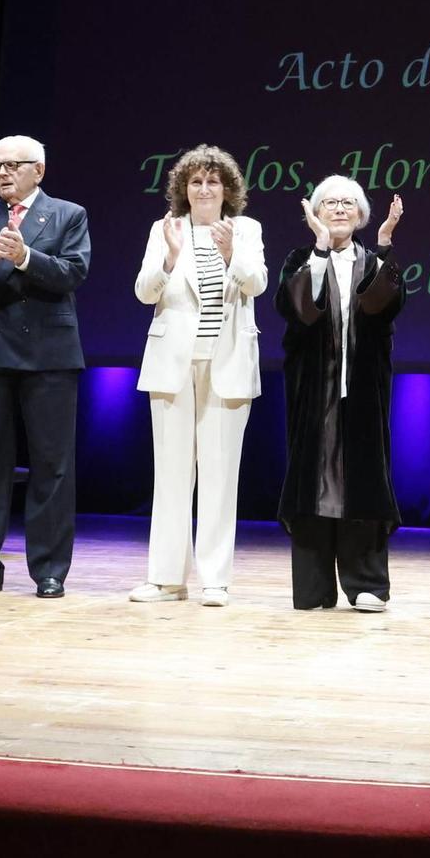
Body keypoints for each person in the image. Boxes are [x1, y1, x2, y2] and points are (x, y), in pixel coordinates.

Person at [0, 135, 90, 599]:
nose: (3, 173)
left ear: (39, 171)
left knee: (52, 465)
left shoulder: (68, 214)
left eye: (14, 165)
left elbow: (73, 272)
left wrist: (25, 257)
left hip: (48, 356)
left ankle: (49, 569)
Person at [131, 145, 266, 607]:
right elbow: (144, 292)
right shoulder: (163, 229)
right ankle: (166, 579)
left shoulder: (245, 229)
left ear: (227, 190)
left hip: (226, 364)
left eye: (213, 181)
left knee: (219, 475)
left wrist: (232, 256)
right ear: (182, 189)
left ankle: (215, 579)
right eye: (195, 182)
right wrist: (168, 260)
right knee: (169, 475)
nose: (204, 189)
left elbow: (257, 284)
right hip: (173, 363)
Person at [273, 177, 405, 612]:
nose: (340, 209)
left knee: (362, 477)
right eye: (330, 202)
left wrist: (385, 245)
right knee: (313, 476)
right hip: (313, 387)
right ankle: (313, 588)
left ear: (362, 214)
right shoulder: (299, 258)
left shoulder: (371, 260)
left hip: (363, 389)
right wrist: (319, 249)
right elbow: (299, 310)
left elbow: (383, 306)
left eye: (349, 203)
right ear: (315, 212)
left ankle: (366, 584)